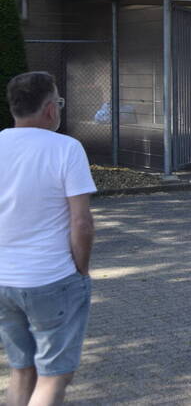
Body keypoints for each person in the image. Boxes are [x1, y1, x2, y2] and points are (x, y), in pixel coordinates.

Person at [0, 71, 96, 405]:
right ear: (50, 109)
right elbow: (81, 222)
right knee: (53, 376)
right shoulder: (67, 148)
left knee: (21, 369)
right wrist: (80, 271)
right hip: (51, 278)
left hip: (2, 281)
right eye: (58, 102)